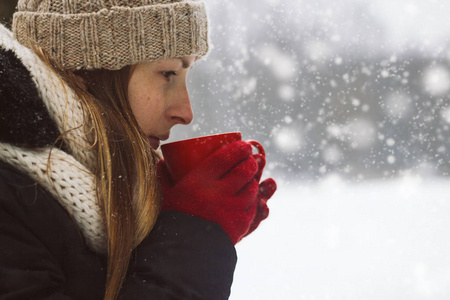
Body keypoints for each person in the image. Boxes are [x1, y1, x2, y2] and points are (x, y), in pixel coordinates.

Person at [0, 0, 277, 299]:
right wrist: (193, 240)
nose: (186, 112)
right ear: (84, 69)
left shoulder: (96, 193)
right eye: (168, 73)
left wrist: (178, 227)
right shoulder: (8, 201)